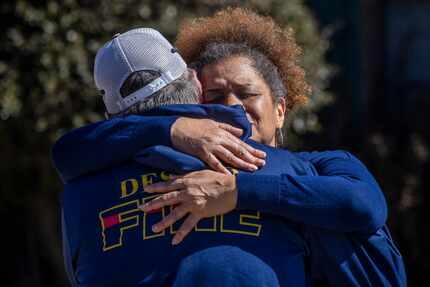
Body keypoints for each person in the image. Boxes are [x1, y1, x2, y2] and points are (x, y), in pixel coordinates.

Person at [52, 10, 406, 286]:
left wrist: (238, 190)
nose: (235, 107)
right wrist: (170, 128)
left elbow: (364, 207)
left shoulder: (315, 173)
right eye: (217, 97)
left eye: (248, 93)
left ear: (281, 109)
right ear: (196, 92)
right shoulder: (93, 171)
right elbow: (66, 152)